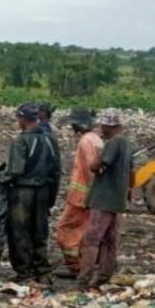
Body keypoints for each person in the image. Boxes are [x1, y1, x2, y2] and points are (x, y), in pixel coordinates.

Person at [6, 103, 61, 284]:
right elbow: (56, 170)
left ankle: (24, 271)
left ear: (23, 119)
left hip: (24, 191)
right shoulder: (50, 139)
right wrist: (51, 197)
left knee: (20, 231)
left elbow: (15, 170)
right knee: (40, 230)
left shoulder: (21, 141)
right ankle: (42, 270)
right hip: (44, 190)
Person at [78, 108, 131, 290]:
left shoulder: (113, 143)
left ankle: (84, 279)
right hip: (117, 199)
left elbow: (99, 165)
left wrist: (94, 162)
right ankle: (104, 276)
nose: (101, 129)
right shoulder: (126, 144)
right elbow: (131, 173)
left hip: (104, 198)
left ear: (109, 126)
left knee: (92, 239)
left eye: (103, 126)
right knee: (110, 240)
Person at [54, 108, 104, 278]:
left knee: (65, 229)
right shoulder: (96, 139)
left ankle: (76, 267)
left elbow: (92, 170)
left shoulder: (85, 141)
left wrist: (93, 196)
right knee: (85, 231)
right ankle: (87, 265)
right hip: (89, 196)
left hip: (81, 197)